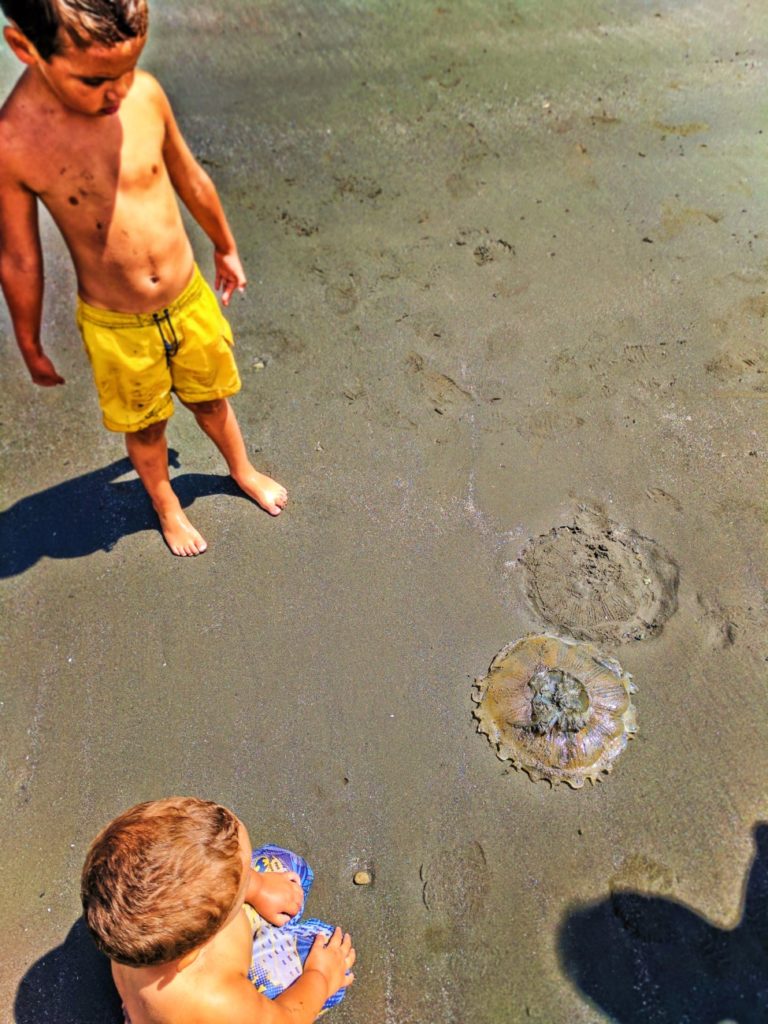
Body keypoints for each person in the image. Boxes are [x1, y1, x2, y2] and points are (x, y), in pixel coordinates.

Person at [0, 0, 287, 556]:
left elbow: (189, 177)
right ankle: (167, 507)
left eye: (129, 68)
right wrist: (29, 338)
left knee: (212, 401)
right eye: (96, 79)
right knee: (148, 427)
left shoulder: (144, 96)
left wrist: (225, 247)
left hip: (187, 299)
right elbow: (19, 257)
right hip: (118, 327)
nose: (118, 91)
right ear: (25, 50)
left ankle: (242, 470)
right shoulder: (15, 144)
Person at [81, 797, 356, 1023]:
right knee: (326, 951)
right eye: (244, 878)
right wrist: (319, 977)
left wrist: (258, 888)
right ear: (195, 951)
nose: (248, 873)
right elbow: (282, 1020)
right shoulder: (213, 999)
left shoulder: (128, 910)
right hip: (223, 1011)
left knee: (284, 864)